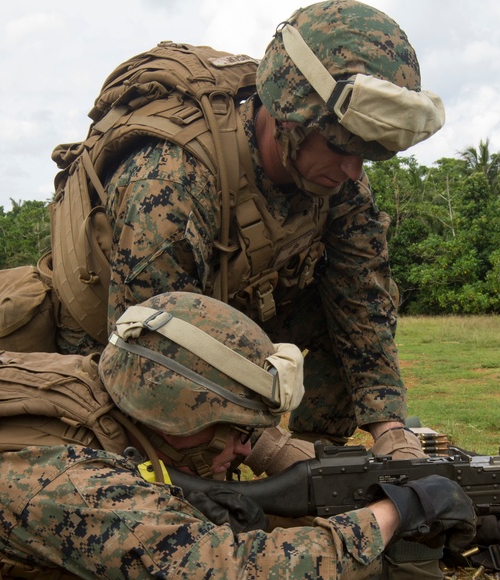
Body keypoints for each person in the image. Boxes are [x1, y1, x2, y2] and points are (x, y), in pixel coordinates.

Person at [0, 292, 475, 580]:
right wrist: (397, 512)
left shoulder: (109, 386)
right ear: (178, 412)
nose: (247, 449)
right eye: (239, 431)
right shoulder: (74, 486)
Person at [37, 0, 445, 454]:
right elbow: (147, 352)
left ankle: (317, 468)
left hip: (220, 312)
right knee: (144, 472)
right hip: (115, 335)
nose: (353, 170)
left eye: (365, 154)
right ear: (289, 116)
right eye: (339, 147)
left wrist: (390, 429)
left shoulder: (341, 183)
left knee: (357, 312)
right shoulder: (172, 177)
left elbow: (363, 302)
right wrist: (268, 448)